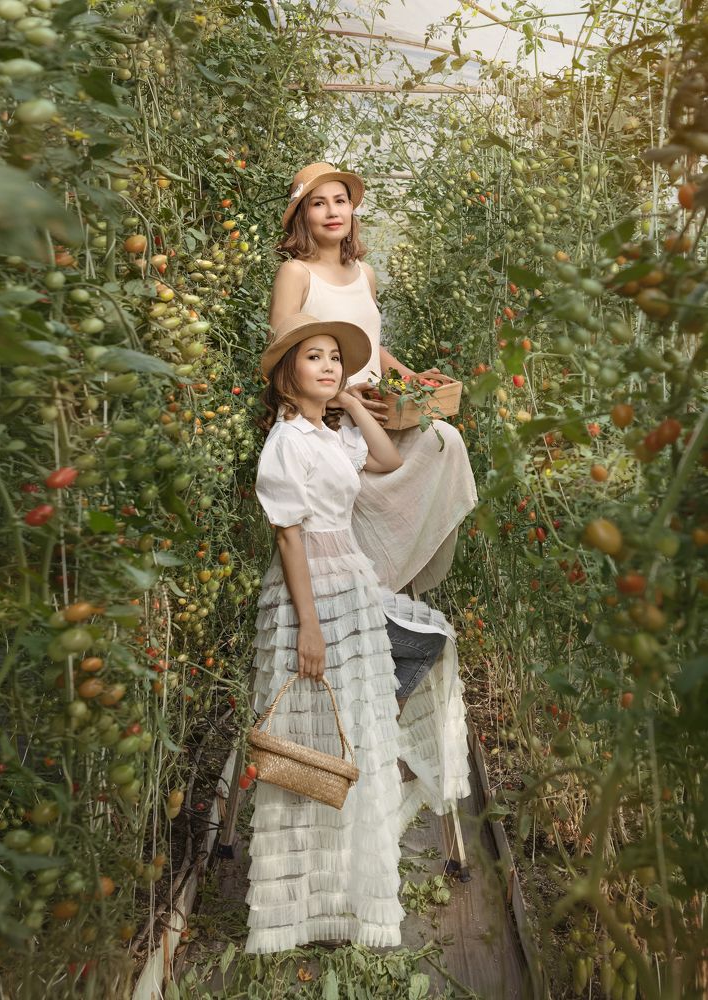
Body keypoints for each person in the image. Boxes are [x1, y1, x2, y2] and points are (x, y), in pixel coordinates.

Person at [245, 312, 406, 954]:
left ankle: (345, 895)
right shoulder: (287, 440)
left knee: (352, 727)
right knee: (305, 733)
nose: (330, 366)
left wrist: (348, 403)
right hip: (309, 589)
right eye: (315, 358)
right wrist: (307, 625)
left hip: (350, 585)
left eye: (336, 359)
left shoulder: (329, 434)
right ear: (289, 375)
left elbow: (389, 459)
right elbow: (288, 533)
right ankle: (298, 909)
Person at [270, 161, 477, 596]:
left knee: (445, 442)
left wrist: (409, 376)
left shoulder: (365, 274)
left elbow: (369, 344)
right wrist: (341, 396)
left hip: (378, 413)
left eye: (340, 201)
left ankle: (388, 590)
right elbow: (284, 358)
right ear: (302, 215)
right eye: (319, 203)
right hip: (327, 419)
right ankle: (355, 596)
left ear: (352, 212)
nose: (332, 211)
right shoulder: (296, 274)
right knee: (341, 515)